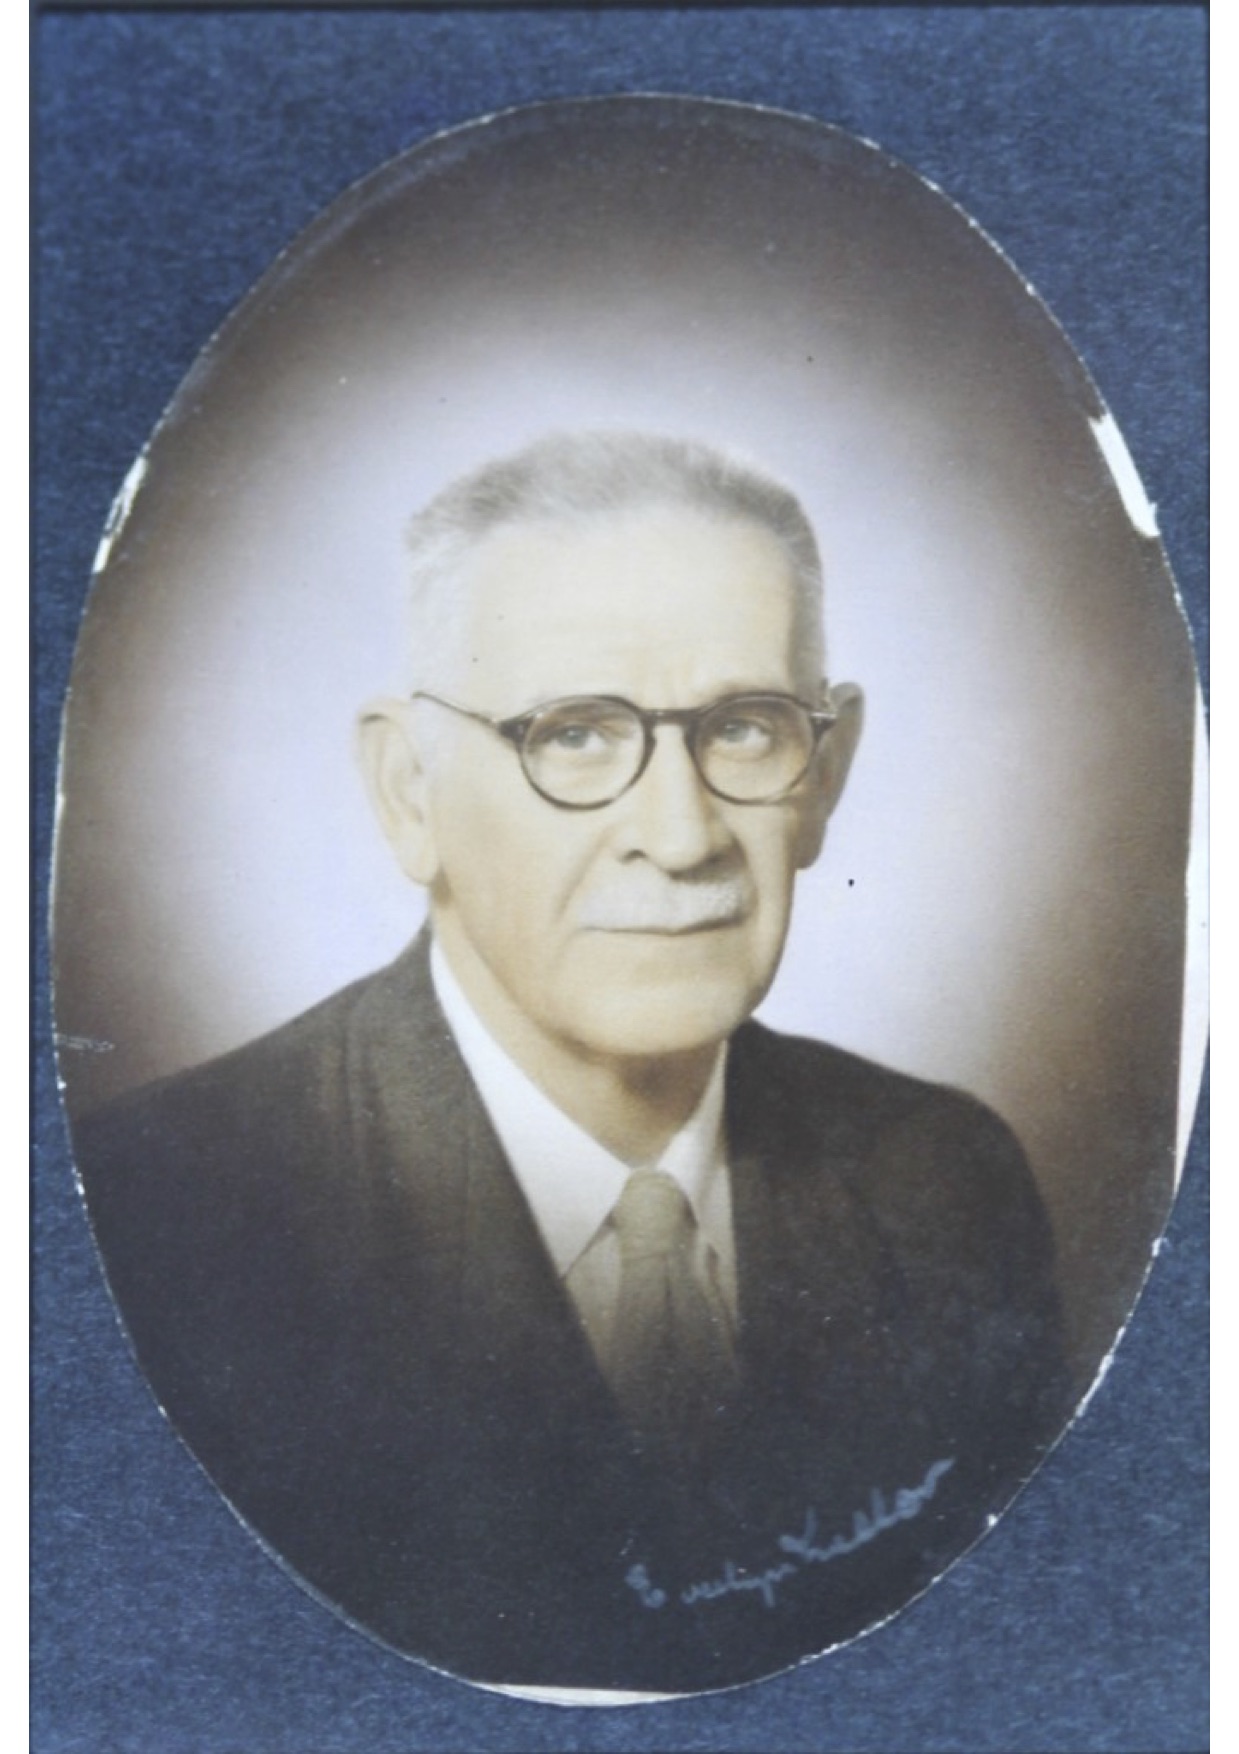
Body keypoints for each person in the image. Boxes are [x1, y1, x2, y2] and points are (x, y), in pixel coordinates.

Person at [75, 431, 1070, 1695]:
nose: (681, 834)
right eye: (577, 735)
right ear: (410, 792)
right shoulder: (163, 1216)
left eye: (745, 728)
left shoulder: (948, 1182)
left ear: (823, 777)